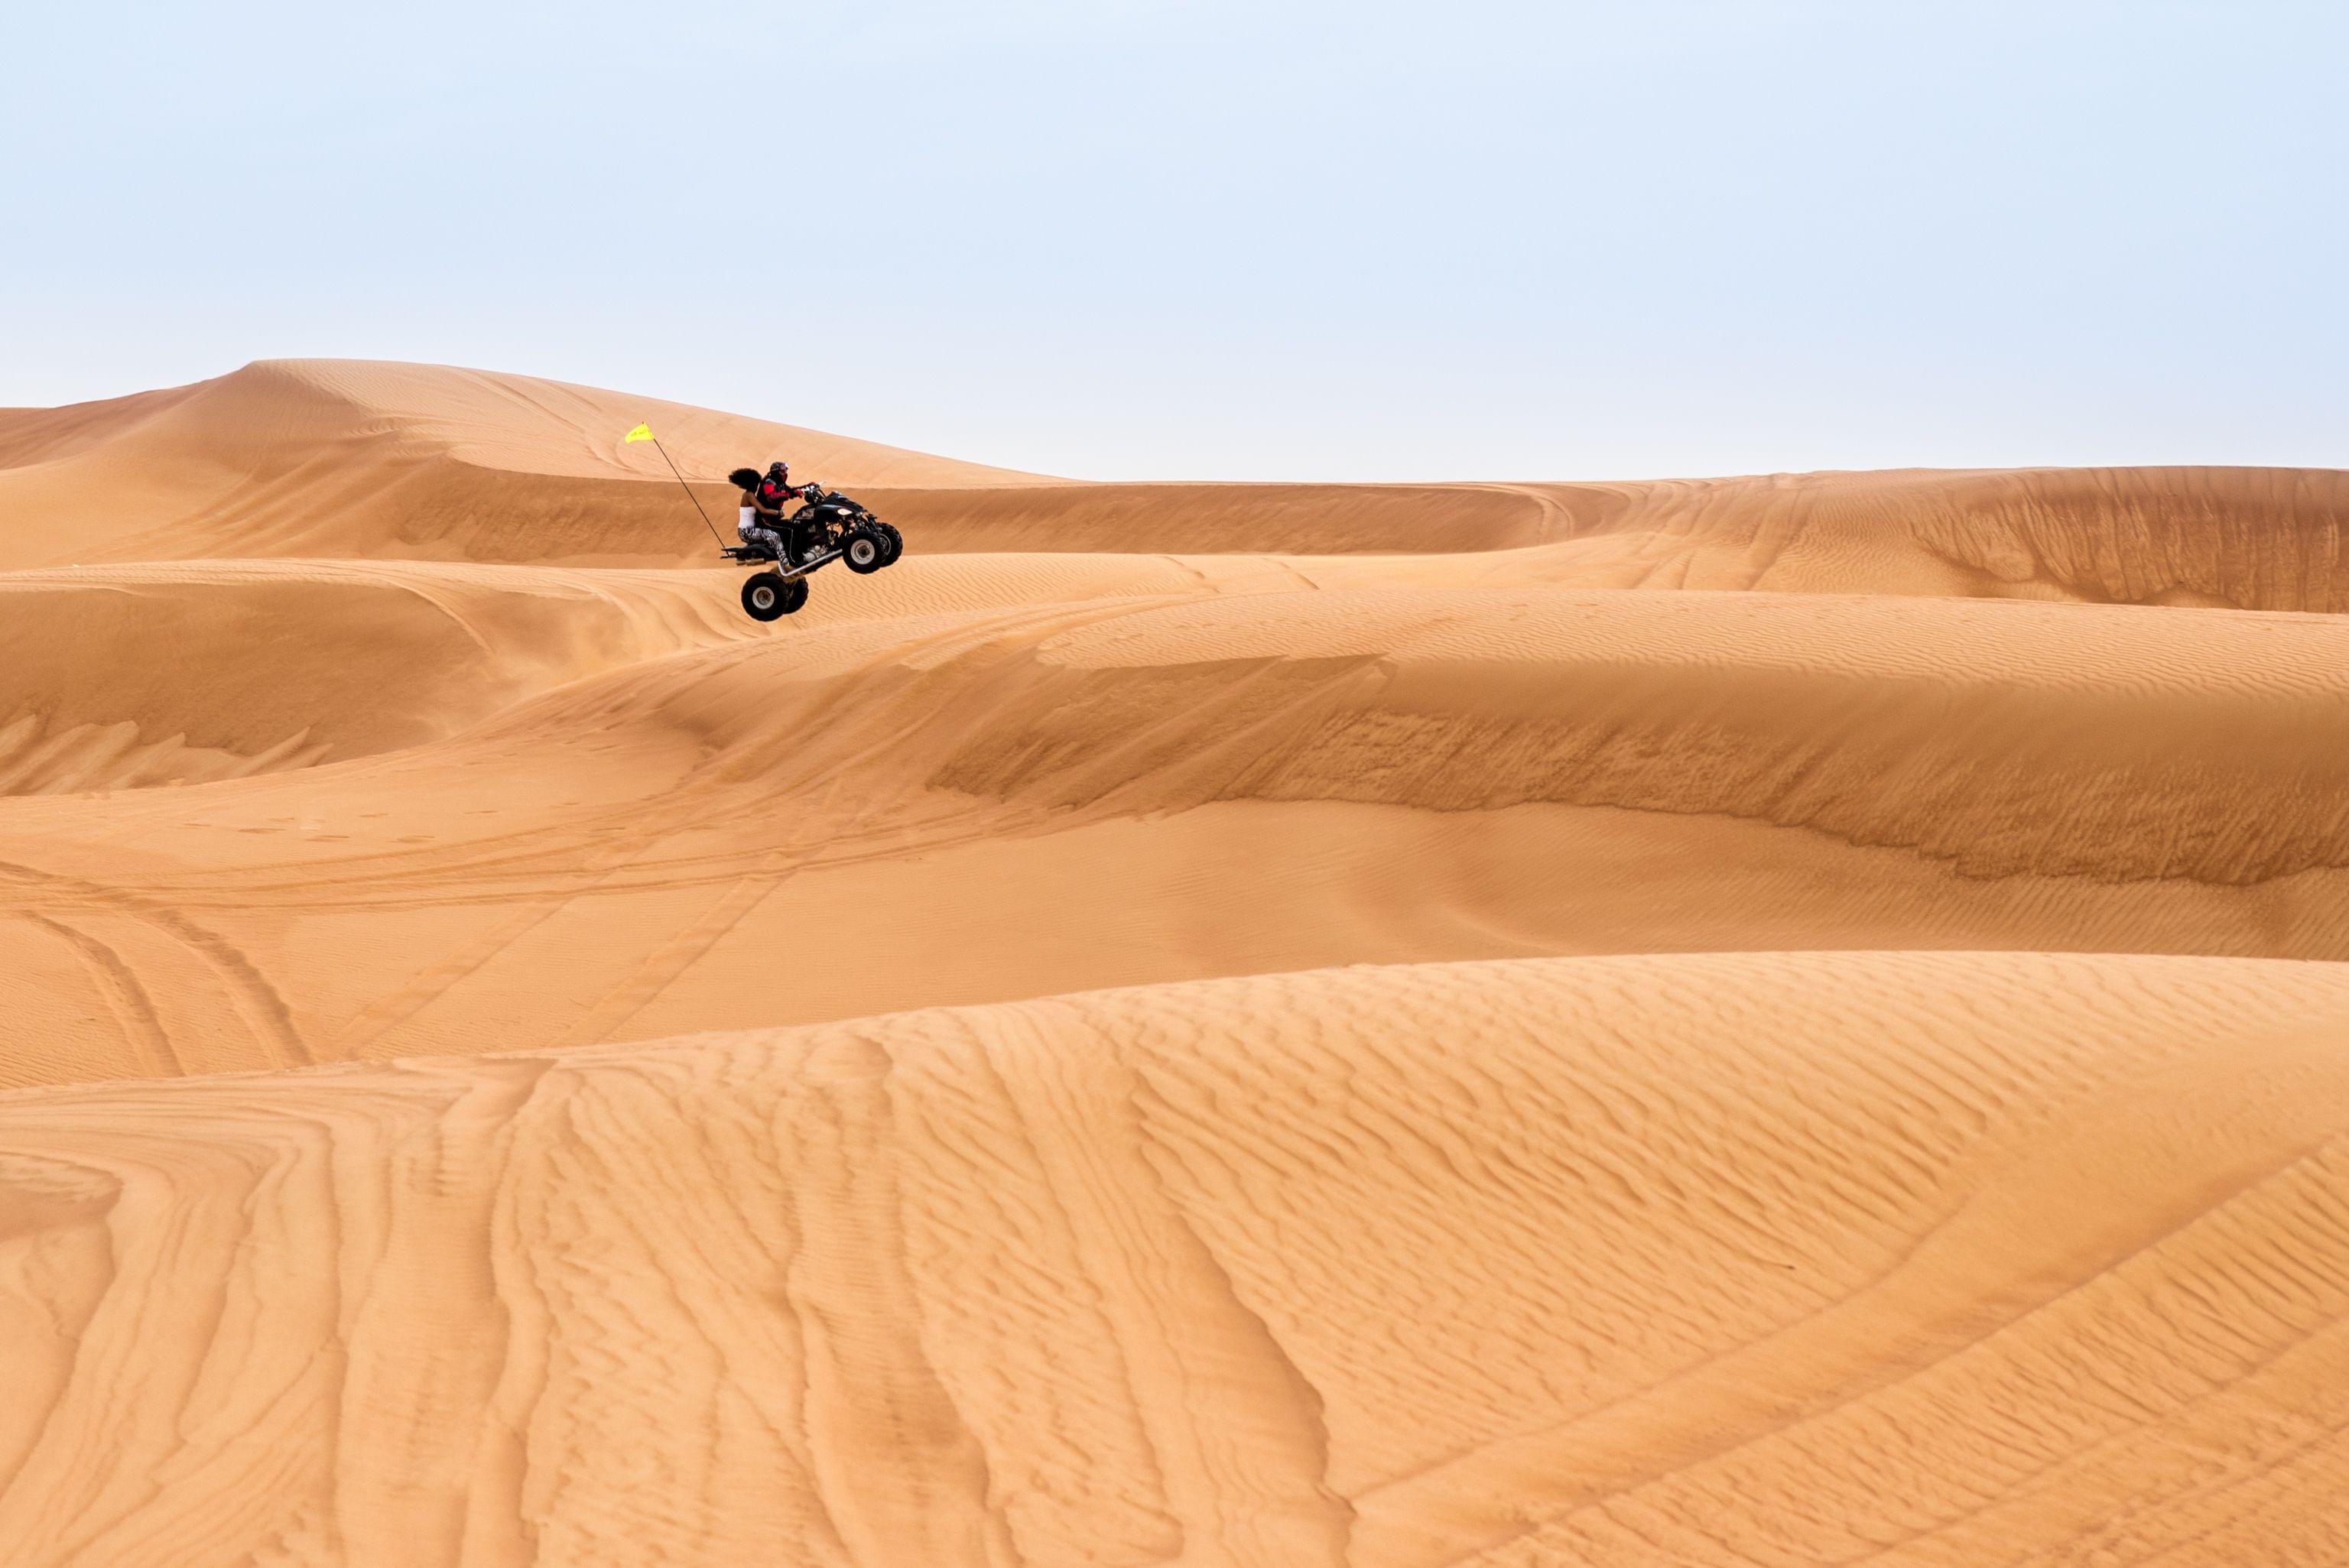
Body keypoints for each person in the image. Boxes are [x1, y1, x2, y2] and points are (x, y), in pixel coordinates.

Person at [738, 461, 813, 561]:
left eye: (786, 470)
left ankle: (803, 553)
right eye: (782, 470)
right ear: (776, 472)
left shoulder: (780, 484)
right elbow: (771, 497)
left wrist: (806, 487)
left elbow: (790, 490)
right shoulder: (768, 482)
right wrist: (789, 496)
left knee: (797, 525)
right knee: (790, 531)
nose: (785, 472)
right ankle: (793, 559)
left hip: (772, 520)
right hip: (765, 521)